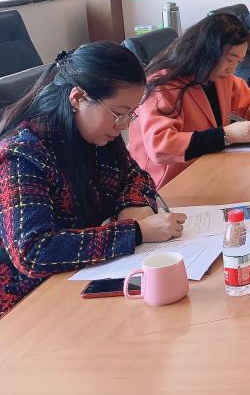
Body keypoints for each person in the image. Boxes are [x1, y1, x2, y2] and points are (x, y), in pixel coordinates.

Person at [0, 43, 186, 317]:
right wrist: (135, 232)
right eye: (119, 113)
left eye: (131, 113)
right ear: (78, 98)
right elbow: (33, 251)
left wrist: (133, 206)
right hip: (31, 300)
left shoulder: (98, 135)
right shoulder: (22, 154)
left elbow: (135, 176)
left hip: (89, 273)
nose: (125, 124)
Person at [130, 13, 250, 188]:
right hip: (168, 182)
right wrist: (227, 135)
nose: (232, 69)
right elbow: (160, 145)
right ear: (207, 52)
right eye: (229, 60)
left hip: (207, 166)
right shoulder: (162, 85)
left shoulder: (217, 76)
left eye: (238, 62)